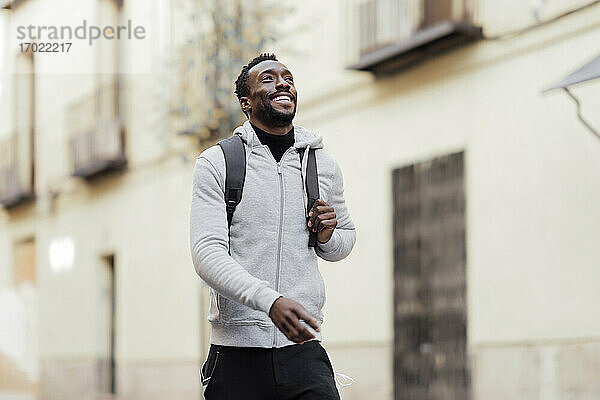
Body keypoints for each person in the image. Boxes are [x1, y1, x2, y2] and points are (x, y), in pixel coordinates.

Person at [190, 53, 356, 400]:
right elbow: (207, 254)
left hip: (304, 350)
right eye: (267, 78)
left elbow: (344, 241)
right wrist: (270, 302)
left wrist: (327, 236)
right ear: (245, 103)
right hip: (236, 355)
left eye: (288, 77)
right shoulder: (218, 162)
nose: (282, 83)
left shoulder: (322, 164)